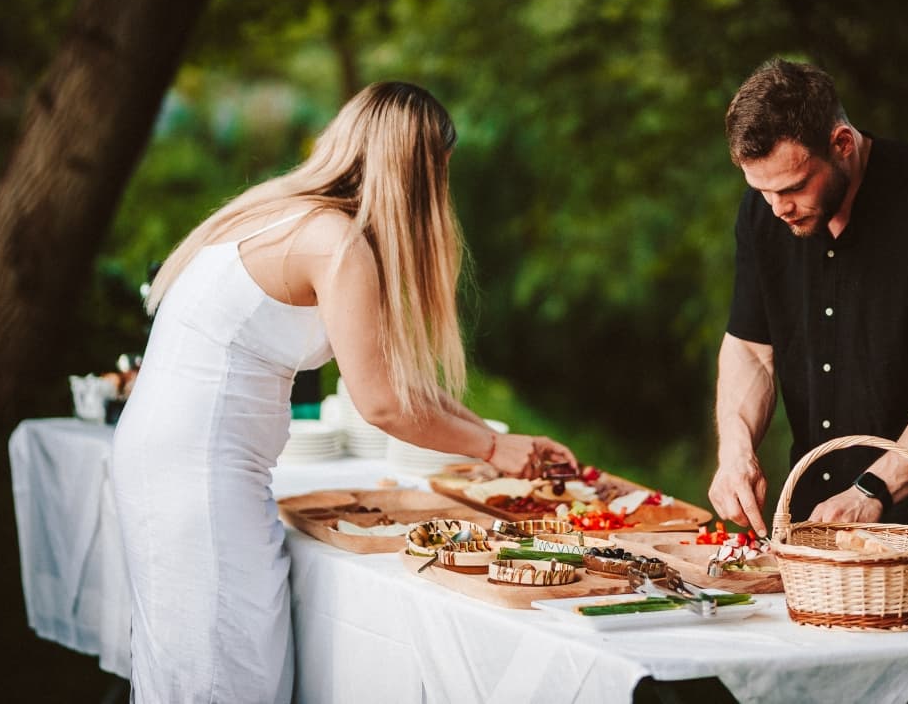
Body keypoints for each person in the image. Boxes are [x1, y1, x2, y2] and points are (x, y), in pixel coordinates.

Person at [111, 82, 577, 703]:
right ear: (417, 170)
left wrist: (497, 439)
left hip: (166, 461)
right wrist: (493, 453)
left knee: (199, 661)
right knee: (226, 670)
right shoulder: (336, 243)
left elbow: (395, 382)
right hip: (198, 477)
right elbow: (381, 403)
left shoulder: (280, 212)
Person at [708, 59, 908, 612]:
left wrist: (872, 490)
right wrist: (735, 451)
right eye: (762, 191)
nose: (778, 208)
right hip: (813, 521)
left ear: (843, 144)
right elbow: (752, 348)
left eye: (794, 187)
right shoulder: (767, 210)